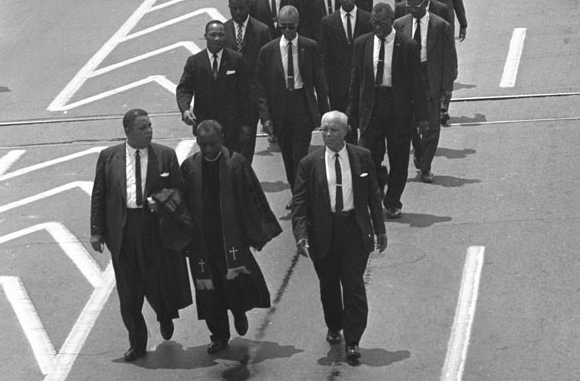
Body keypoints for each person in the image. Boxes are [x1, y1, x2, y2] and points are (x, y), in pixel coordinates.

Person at [90, 109, 192, 361]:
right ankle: (137, 343)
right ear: (128, 132)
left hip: (154, 229)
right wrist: (96, 231)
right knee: (128, 293)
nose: (149, 131)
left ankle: (164, 313)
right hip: (123, 232)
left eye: (150, 126)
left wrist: (162, 201)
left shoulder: (165, 156)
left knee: (157, 282)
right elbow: (99, 195)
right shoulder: (108, 157)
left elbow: (180, 188)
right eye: (143, 128)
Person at [291, 111, 386, 365]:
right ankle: (334, 325)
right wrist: (301, 235)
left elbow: (373, 195)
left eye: (333, 130)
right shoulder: (309, 164)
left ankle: (353, 340)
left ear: (345, 131)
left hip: (353, 229)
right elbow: (299, 203)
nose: (328, 135)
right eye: (324, 130)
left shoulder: (362, 157)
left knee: (353, 285)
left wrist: (380, 229)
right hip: (324, 232)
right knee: (329, 285)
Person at [181, 120, 282, 353]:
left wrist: (256, 233)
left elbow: (252, 198)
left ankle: (238, 312)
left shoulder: (236, 164)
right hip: (203, 240)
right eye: (203, 144)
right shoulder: (189, 167)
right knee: (209, 289)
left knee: (234, 284)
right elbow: (183, 201)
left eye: (212, 144)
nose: (208, 149)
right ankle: (218, 335)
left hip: (231, 235)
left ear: (222, 139)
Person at [348, 2, 427, 219]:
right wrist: (351, 113)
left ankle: (393, 201)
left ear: (391, 21)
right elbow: (356, 81)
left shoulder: (408, 45)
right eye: (373, 23)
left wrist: (421, 117)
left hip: (397, 109)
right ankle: (378, 184)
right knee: (367, 156)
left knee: (399, 158)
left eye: (381, 23)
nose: (377, 27)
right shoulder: (362, 44)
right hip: (371, 107)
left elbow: (417, 84)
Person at [255, 5, 329, 197]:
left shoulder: (309, 46)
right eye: (283, 27)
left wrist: (324, 113)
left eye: (291, 26)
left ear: (298, 25)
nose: (287, 31)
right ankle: (297, 191)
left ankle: (301, 195)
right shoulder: (268, 51)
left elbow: (319, 82)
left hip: (302, 105)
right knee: (288, 157)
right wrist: (265, 118)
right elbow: (261, 88)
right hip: (280, 109)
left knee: (299, 155)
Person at [394, 0, 455, 183]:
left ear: (426, 1)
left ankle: (426, 165)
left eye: (416, 6)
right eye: (409, 6)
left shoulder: (441, 26)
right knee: (410, 123)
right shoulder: (399, 25)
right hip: (408, 78)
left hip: (430, 76)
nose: (413, 10)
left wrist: (447, 87)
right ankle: (419, 154)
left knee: (432, 126)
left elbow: (449, 57)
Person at [176, 21, 252, 154]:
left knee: (229, 165)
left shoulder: (237, 60)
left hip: (231, 126)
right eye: (213, 35)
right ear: (205, 36)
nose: (217, 38)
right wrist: (185, 110)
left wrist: (246, 123)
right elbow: (184, 89)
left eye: (221, 35)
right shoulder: (195, 62)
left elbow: (246, 94)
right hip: (205, 126)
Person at [223, 0, 272, 163]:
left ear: (248, 7)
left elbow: (268, 66)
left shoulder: (261, 30)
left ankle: (243, 178)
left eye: (241, 8)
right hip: (228, 99)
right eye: (234, 9)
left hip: (251, 99)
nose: (238, 12)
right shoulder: (223, 31)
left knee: (246, 143)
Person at [319, 0, 372, 124]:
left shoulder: (367, 19)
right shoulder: (328, 22)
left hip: (361, 80)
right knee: (341, 122)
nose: (348, 0)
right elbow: (324, 54)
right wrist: (325, 81)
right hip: (337, 81)